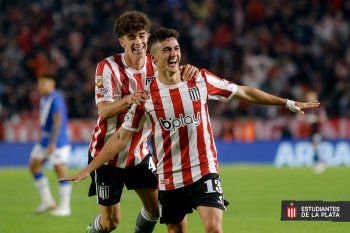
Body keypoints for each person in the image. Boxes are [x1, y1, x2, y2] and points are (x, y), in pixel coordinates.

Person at [60, 28, 320, 233]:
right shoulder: (146, 98)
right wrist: (89, 169)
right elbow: (120, 138)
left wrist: (286, 102)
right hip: (170, 179)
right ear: (153, 58)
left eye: (176, 48)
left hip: (204, 170)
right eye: (166, 50)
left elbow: (243, 91)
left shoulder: (199, 79)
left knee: (214, 228)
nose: (173, 54)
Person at [86, 11, 198, 233]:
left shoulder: (156, 64)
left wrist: (189, 71)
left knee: (156, 209)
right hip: (107, 155)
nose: (138, 42)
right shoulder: (107, 67)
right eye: (131, 37)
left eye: (141, 35)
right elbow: (104, 111)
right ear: (122, 41)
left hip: (138, 154)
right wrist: (128, 99)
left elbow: (178, 80)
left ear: (147, 37)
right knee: (111, 223)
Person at [29, 74, 72, 216]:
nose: (40, 86)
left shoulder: (56, 99)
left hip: (57, 141)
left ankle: (65, 207)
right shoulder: (45, 98)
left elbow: (58, 120)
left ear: (52, 84)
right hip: (45, 140)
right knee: (34, 166)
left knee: (60, 171)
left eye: (44, 83)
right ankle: (47, 201)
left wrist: (53, 142)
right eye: (39, 83)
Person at [305, 91, 327, 173]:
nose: (308, 98)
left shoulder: (320, 108)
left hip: (318, 131)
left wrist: (315, 119)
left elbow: (323, 119)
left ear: (315, 97)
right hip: (312, 131)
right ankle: (319, 162)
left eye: (310, 97)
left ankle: (321, 162)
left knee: (315, 145)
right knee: (314, 147)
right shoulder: (309, 108)